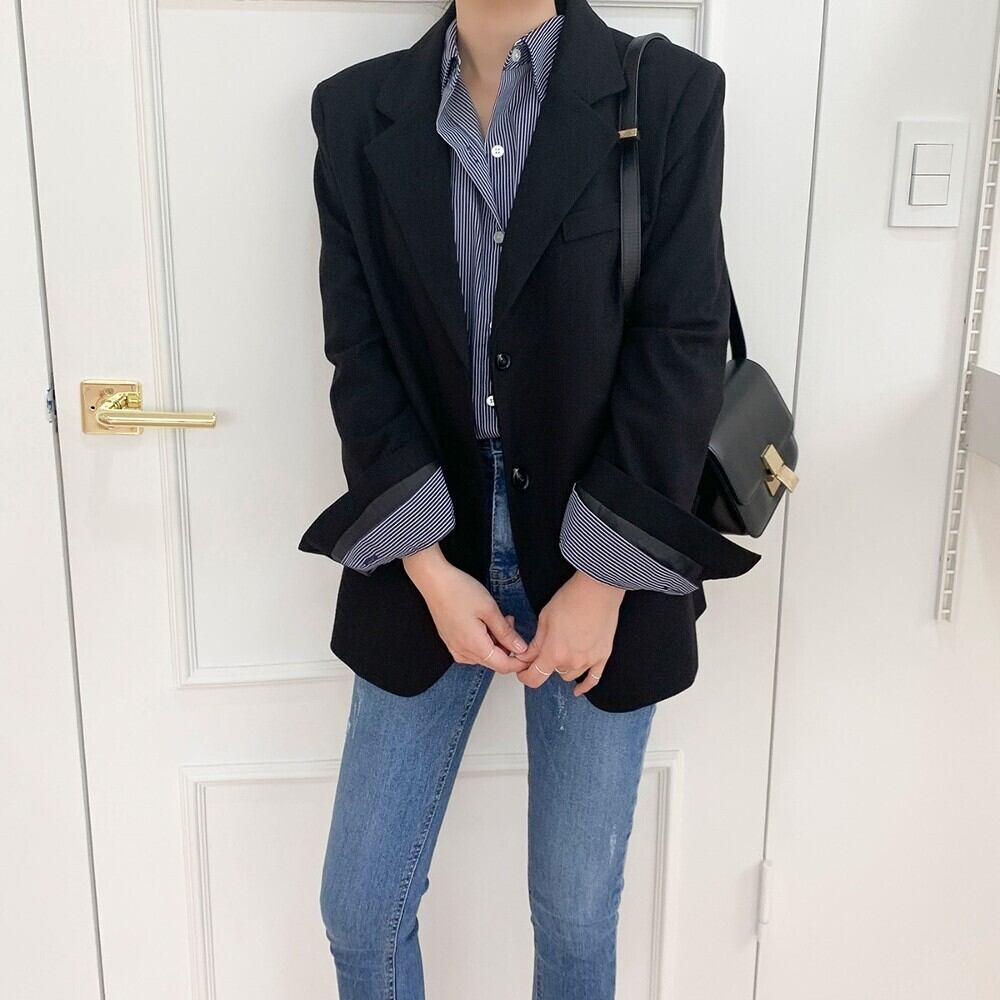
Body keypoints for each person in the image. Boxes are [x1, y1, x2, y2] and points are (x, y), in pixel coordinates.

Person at [299, 0, 760, 995]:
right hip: (427, 543)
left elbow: (680, 347)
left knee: (575, 913)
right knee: (360, 909)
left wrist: (601, 581)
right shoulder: (355, 110)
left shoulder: (667, 95)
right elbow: (359, 354)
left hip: (608, 541)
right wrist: (427, 568)